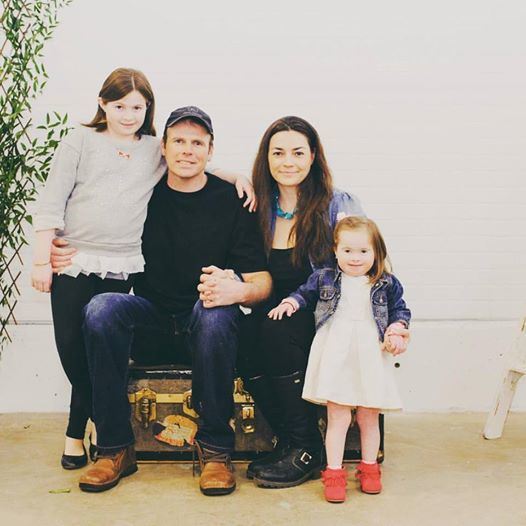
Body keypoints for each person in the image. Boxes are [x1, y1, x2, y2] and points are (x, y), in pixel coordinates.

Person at [31, 68, 254, 471]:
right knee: (89, 328)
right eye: (120, 106)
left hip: (159, 289)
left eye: (137, 107)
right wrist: (45, 255)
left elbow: (193, 162)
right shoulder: (99, 153)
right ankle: (107, 441)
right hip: (102, 279)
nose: (129, 115)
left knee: (211, 315)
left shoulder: (175, 165)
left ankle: (211, 452)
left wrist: (237, 177)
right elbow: (59, 201)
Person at [62, 106, 272, 495]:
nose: (187, 150)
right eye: (179, 141)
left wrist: (239, 289)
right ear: (163, 148)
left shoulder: (232, 200)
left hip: (204, 324)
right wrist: (59, 249)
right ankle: (115, 448)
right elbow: (92, 224)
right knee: (101, 309)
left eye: (197, 143)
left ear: (210, 150)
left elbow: (262, 280)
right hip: (152, 321)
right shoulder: (142, 194)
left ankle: (215, 452)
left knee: (215, 312)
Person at [236, 116, 365, 488]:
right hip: (273, 311)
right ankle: (288, 440)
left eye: (297, 152)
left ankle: (307, 447)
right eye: (278, 153)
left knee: (276, 331)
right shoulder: (259, 206)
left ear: (312, 157)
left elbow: (365, 260)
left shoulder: (337, 203)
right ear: (266, 159)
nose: (287, 162)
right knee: (242, 335)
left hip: (323, 312)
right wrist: (232, 176)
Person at [268, 216, 411, 503]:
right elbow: (304, 294)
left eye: (363, 251)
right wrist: (290, 303)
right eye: (347, 251)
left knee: (369, 416)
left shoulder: (386, 283)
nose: (355, 258)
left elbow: (400, 311)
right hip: (336, 353)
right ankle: (334, 472)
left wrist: (396, 330)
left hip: (370, 354)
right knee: (338, 416)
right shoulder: (325, 277)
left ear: (376, 252)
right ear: (335, 250)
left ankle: (369, 468)